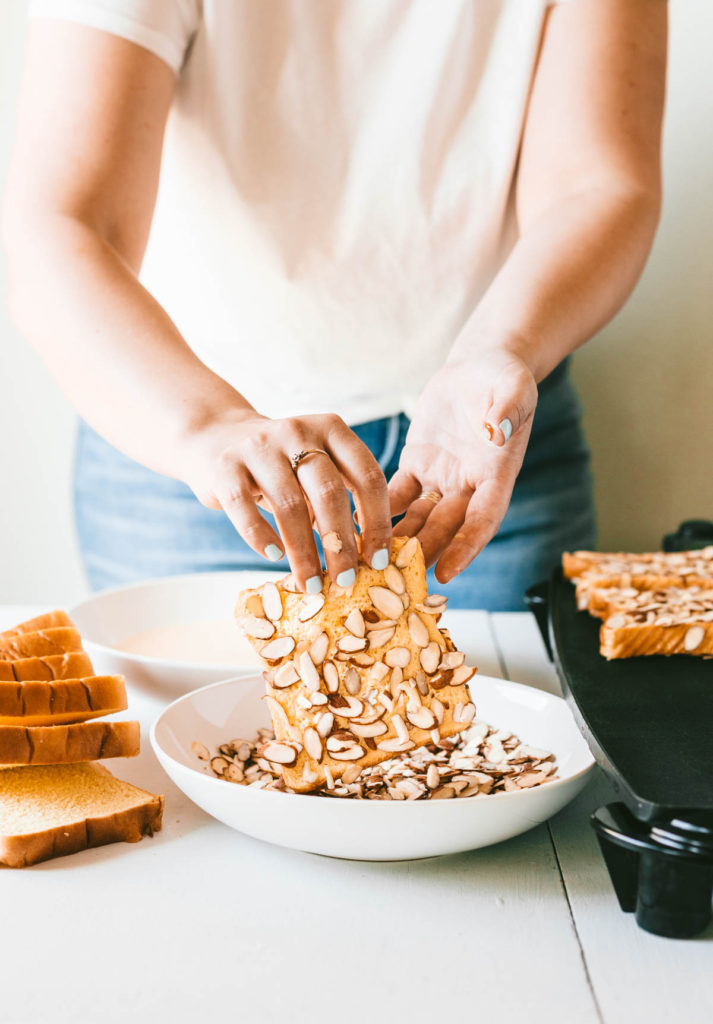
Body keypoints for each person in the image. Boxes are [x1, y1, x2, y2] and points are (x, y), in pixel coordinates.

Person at [2, 0, 666, 609]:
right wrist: (206, 426)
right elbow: (61, 222)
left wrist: (499, 349)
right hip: (184, 452)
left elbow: (597, 185)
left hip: (476, 451)